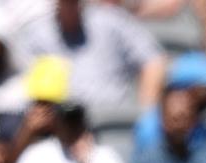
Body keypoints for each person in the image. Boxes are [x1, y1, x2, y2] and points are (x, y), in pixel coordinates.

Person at [18, 0, 168, 109]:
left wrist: (146, 112)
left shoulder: (111, 20)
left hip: (113, 117)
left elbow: (154, 61)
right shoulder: (38, 33)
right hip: (63, 124)